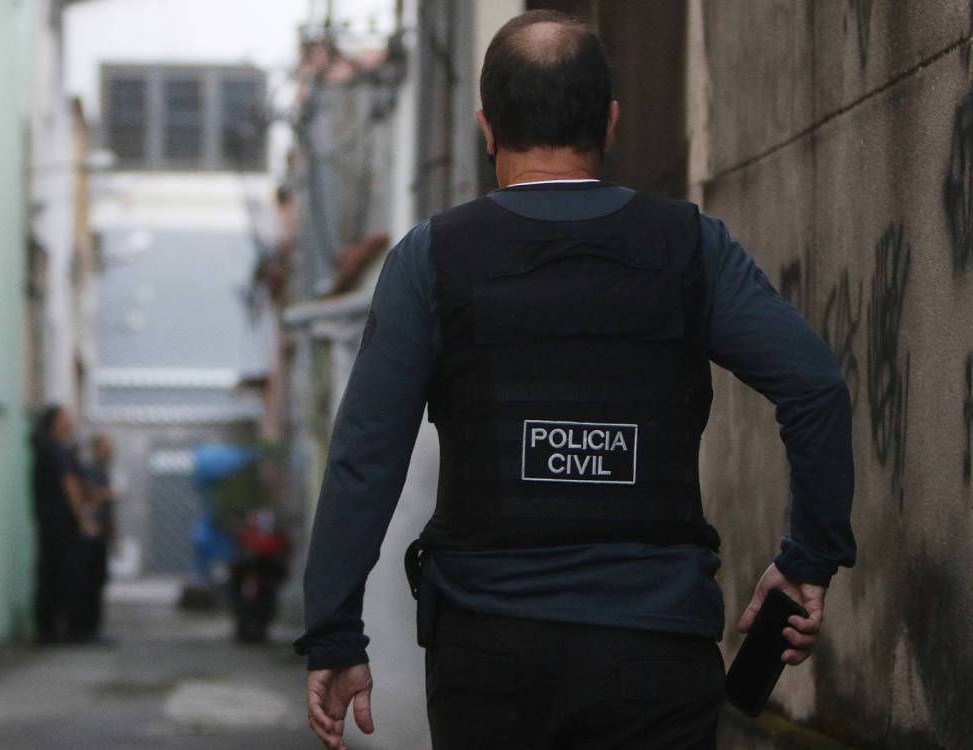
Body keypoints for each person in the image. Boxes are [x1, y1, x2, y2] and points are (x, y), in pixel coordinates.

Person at [296, 11, 856, 750]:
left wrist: (335, 633)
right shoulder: (692, 248)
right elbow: (816, 387)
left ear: (487, 127)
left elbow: (365, 456)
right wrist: (806, 561)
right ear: (610, 121)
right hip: (655, 653)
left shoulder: (432, 259)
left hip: (487, 655)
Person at [31, 405, 96, 644]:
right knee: (64, 576)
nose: (70, 423)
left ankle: (51, 631)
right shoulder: (55, 449)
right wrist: (83, 520)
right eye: (65, 418)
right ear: (55, 422)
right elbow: (69, 485)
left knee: (51, 575)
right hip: (61, 524)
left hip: (51, 522)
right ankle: (64, 630)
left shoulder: (48, 448)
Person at [76, 433, 116, 642]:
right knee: (91, 582)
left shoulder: (102, 470)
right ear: (97, 449)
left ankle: (93, 628)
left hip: (101, 532)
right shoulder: (91, 469)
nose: (110, 451)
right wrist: (108, 494)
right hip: (92, 533)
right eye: (106, 447)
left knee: (98, 581)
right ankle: (87, 629)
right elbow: (88, 495)